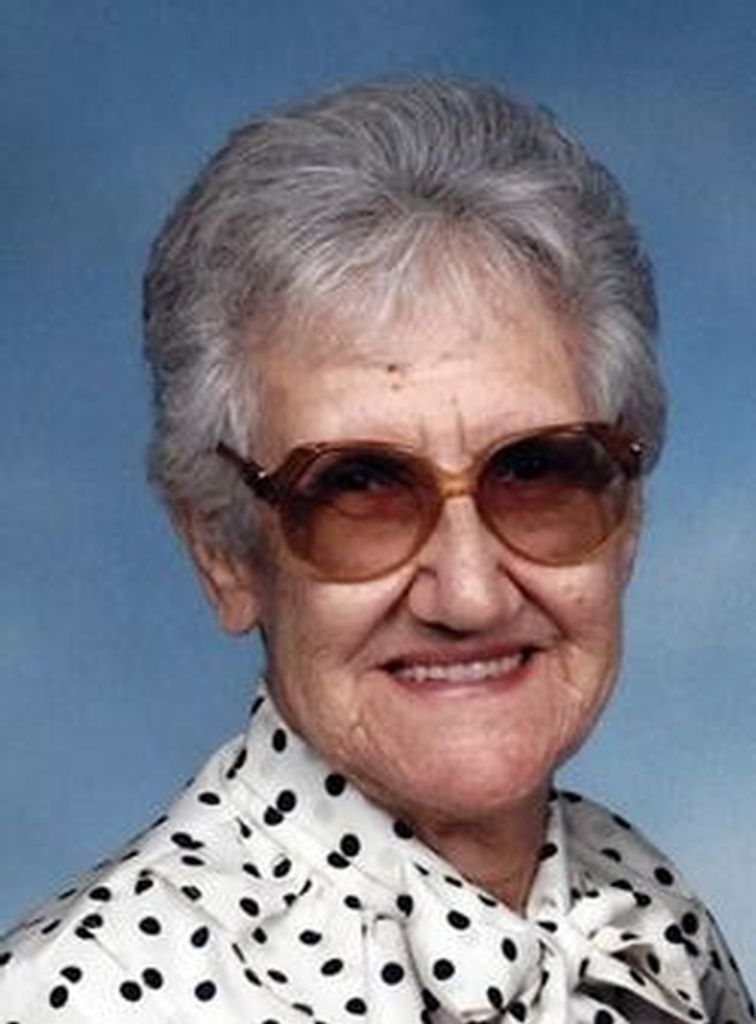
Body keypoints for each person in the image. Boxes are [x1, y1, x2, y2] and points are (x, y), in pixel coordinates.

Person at [1, 77, 752, 1024]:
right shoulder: (81, 999)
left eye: (535, 470)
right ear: (222, 550)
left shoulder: (646, 922)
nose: (470, 593)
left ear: (628, 517)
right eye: (358, 488)